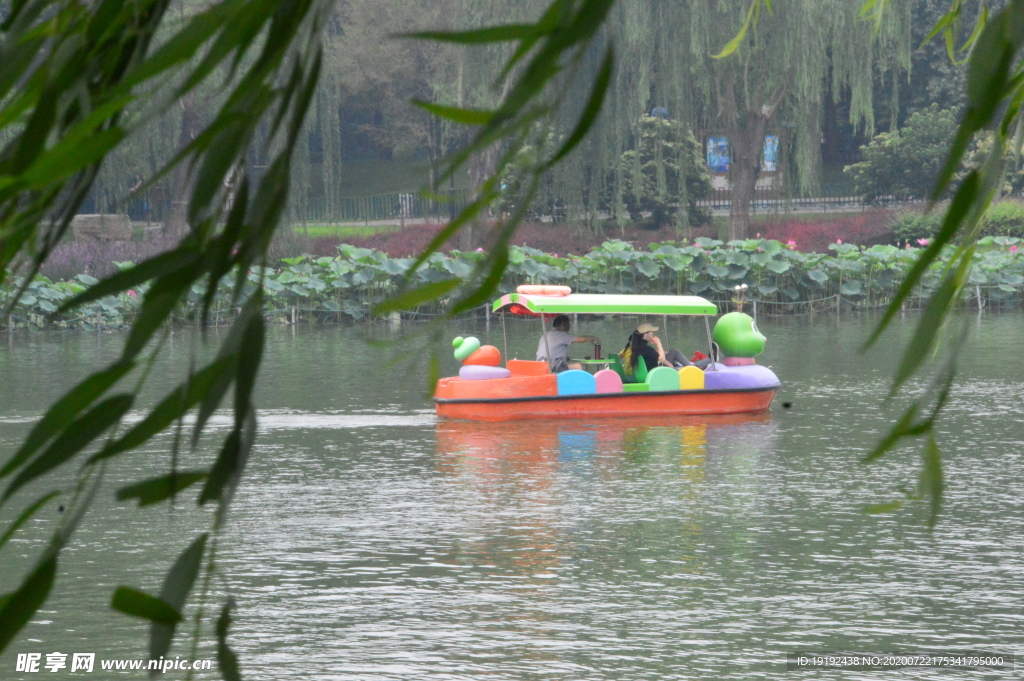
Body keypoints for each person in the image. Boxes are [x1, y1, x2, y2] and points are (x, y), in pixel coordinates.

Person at [621, 322, 703, 374]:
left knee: (674, 352)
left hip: (647, 370)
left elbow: (620, 355)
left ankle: (694, 366)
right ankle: (696, 369)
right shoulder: (645, 348)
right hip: (656, 372)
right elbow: (661, 359)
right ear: (646, 334)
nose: (653, 334)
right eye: (652, 332)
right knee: (683, 367)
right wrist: (658, 343)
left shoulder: (633, 347)